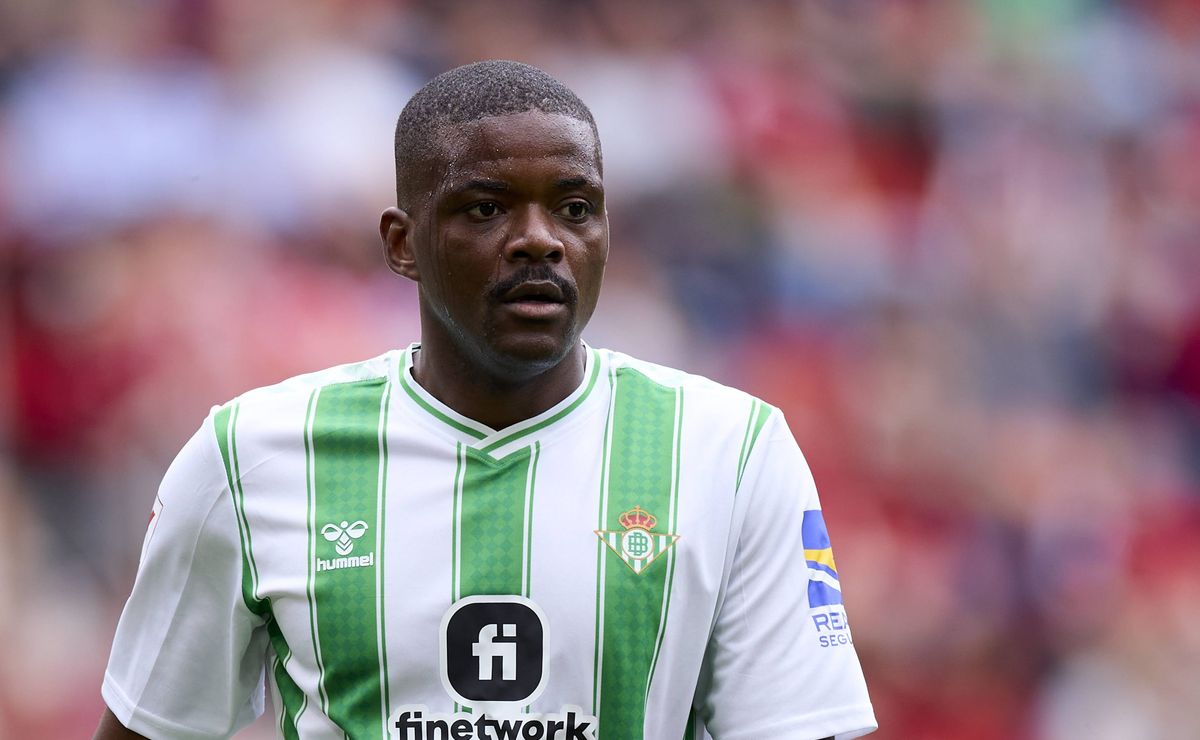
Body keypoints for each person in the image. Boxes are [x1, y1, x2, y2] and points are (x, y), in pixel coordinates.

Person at [95, 60, 876, 740]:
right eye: (486, 208)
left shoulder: (732, 451)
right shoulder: (250, 456)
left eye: (575, 208)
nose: (541, 239)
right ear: (402, 243)